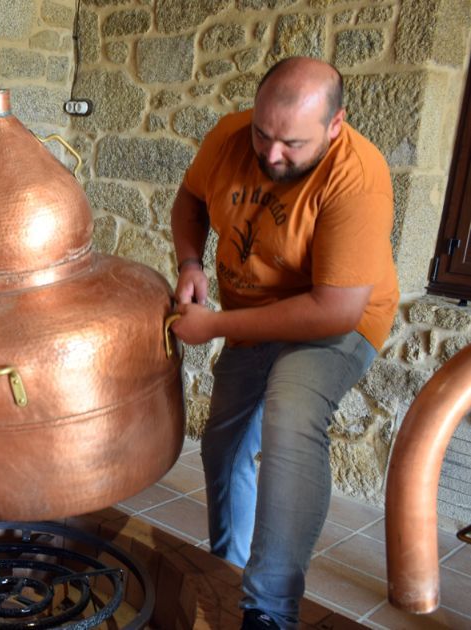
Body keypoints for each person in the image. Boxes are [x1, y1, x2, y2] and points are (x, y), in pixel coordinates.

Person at [170, 57, 398, 629]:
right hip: (256, 315)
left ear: (335, 124)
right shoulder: (229, 136)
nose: (271, 155)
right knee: (222, 442)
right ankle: (228, 567)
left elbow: (333, 308)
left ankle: (268, 611)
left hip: (339, 322)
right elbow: (190, 201)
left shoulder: (358, 176)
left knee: (291, 415)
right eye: (262, 134)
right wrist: (191, 261)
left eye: (292, 144)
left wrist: (216, 326)